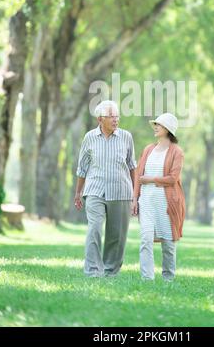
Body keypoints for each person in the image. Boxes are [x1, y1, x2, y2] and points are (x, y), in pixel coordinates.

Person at [74, 100, 136, 277]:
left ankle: (110, 270)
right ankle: (93, 270)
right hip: (94, 190)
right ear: (100, 119)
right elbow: (82, 167)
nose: (116, 120)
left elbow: (132, 166)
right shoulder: (89, 138)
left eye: (117, 116)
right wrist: (78, 192)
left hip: (121, 191)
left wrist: (134, 194)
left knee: (116, 235)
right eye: (111, 116)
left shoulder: (126, 137)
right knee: (94, 228)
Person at [132, 113, 185, 281]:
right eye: (155, 124)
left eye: (159, 125)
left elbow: (172, 178)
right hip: (146, 201)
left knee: (168, 244)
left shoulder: (177, 152)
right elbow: (138, 176)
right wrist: (134, 199)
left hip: (166, 204)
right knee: (145, 239)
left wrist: (151, 180)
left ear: (168, 129)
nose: (155, 127)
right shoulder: (148, 149)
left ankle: (168, 279)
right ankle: (147, 278)